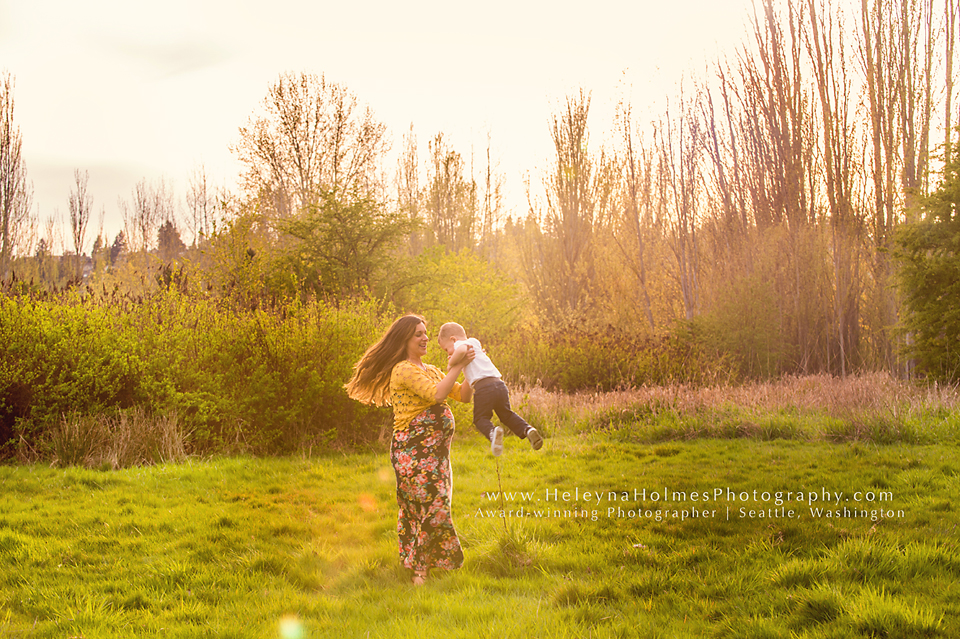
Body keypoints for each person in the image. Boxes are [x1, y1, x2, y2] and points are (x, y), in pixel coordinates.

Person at [344, 314, 474, 586]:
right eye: (418, 334)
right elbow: (437, 395)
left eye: (425, 333)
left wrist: (473, 368)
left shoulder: (431, 369)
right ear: (404, 339)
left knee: (428, 507)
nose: (425, 338)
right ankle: (419, 569)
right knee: (433, 505)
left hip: (437, 455)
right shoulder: (404, 369)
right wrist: (457, 365)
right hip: (412, 451)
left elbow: (462, 396)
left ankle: (417, 562)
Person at [437, 322, 543, 457]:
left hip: (483, 387)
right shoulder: (475, 342)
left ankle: (493, 433)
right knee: (507, 415)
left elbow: (462, 350)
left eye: (447, 349)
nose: (449, 353)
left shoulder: (460, 345)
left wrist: (451, 363)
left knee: (480, 419)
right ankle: (527, 429)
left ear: (453, 339)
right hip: (499, 385)